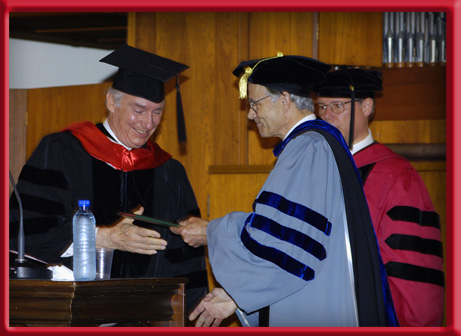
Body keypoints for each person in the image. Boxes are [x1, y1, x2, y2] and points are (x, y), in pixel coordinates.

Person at [171, 54, 398, 327]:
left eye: (255, 103)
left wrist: (213, 231)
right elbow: (289, 238)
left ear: (285, 99)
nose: (251, 114)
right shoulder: (318, 144)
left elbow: (286, 244)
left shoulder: (309, 148)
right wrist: (237, 295)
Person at [9, 44, 208, 314]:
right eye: (138, 110)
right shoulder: (63, 151)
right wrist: (102, 237)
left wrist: (189, 311)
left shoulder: (169, 172)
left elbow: (186, 261)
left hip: (145, 316)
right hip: (72, 310)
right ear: (111, 102)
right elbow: (27, 231)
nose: (148, 122)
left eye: (157, 112)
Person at [313, 68, 444, 326]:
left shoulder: (396, 175)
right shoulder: (316, 171)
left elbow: (412, 268)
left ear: (367, 107)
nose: (326, 116)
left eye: (337, 106)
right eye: (320, 107)